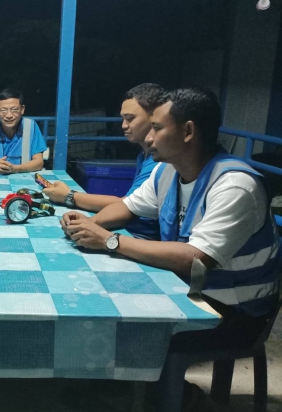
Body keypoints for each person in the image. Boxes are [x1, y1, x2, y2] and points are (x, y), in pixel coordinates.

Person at [61, 87, 280, 352]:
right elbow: (127, 207)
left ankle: (154, 381)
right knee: (99, 295)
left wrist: (109, 241)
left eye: (157, 128)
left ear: (188, 131)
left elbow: (195, 259)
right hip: (187, 288)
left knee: (123, 329)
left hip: (234, 313)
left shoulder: (235, 185)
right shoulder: (167, 171)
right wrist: (88, 226)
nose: (149, 137)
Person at [43, 83, 164, 240]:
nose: (123, 125)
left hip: (140, 236)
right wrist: (88, 222)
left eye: (130, 119)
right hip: (127, 229)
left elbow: (126, 204)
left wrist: (69, 196)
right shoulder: (144, 155)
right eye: (123, 119)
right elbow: (129, 204)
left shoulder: (161, 162)